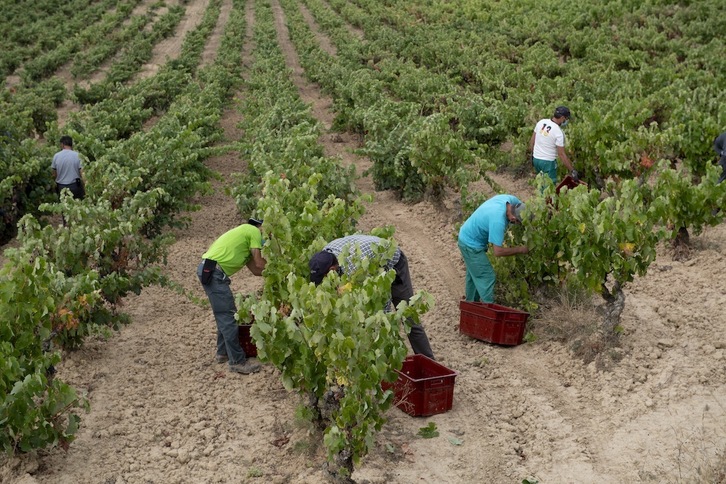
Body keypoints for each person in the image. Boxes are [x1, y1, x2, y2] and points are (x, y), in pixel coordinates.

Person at [308, 234, 435, 360]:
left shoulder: (355, 267)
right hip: (371, 262)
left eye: (324, 278)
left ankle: (429, 363)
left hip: (393, 264)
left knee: (408, 317)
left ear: (332, 270)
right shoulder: (325, 255)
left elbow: (378, 298)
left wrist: (381, 323)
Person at [197, 218, 266, 374]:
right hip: (214, 273)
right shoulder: (253, 230)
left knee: (224, 315)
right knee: (228, 317)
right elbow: (260, 263)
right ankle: (237, 362)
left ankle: (223, 353)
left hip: (210, 270)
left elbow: (256, 270)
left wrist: (271, 274)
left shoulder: (244, 241)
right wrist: (280, 271)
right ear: (260, 226)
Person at [458, 194, 529, 303]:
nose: (518, 225)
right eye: (518, 223)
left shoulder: (512, 201)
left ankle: (471, 304)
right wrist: (521, 249)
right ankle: (490, 309)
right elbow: (498, 251)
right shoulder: (498, 221)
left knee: (475, 274)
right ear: (513, 218)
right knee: (487, 276)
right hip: (470, 244)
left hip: (467, 234)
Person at [528, 106, 577, 184]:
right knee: (549, 187)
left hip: (536, 159)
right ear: (562, 118)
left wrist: (533, 155)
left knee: (541, 183)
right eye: (566, 119)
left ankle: (541, 195)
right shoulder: (558, 132)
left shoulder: (541, 122)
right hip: (548, 163)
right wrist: (572, 170)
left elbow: (532, 141)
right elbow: (561, 154)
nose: (566, 121)